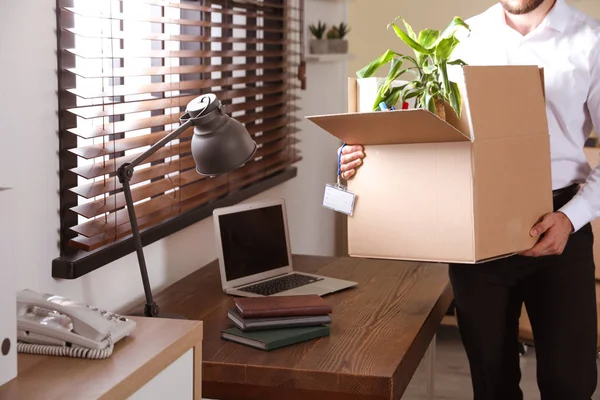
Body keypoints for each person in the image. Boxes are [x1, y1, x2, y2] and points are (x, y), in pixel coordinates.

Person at [339, 0, 600, 399]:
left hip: (560, 225)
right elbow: (429, 133)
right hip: (476, 229)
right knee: (490, 381)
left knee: (571, 383)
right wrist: (362, 157)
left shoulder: (591, 40)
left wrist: (571, 217)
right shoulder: (461, 37)